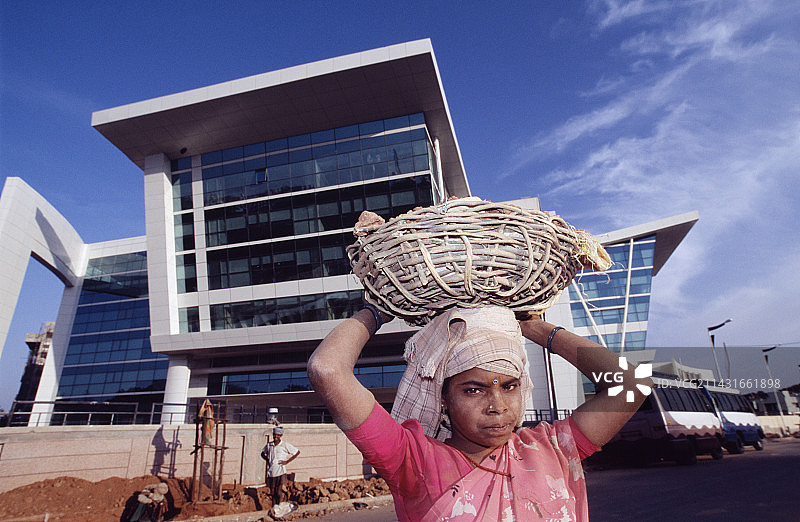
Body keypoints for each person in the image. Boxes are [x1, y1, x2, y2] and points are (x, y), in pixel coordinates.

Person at [308, 304, 652, 521]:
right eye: (474, 389)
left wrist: (534, 328)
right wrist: (375, 311)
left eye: (509, 386)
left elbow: (632, 383)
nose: (497, 405)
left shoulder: (553, 449)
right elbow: (327, 369)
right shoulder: (413, 460)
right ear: (443, 398)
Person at [260, 426, 300, 505]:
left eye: (278, 435)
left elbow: (297, 452)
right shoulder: (269, 445)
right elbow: (262, 453)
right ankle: (274, 507)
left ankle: (279, 506)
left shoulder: (285, 445)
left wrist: (287, 461)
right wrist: (268, 460)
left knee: (278, 492)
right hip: (271, 472)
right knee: (273, 492)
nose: (276, 437)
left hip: (280, 471)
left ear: (281, 436)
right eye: (274, 435)